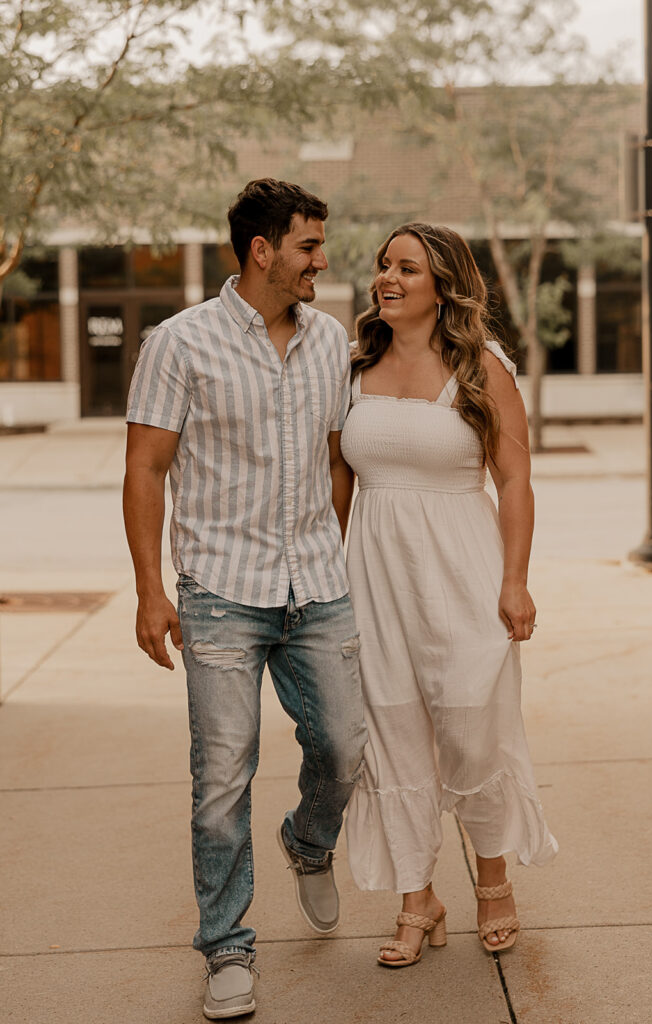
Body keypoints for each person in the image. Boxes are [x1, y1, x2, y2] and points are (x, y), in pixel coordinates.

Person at [123, 178, 367, 1018]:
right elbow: (146, 469)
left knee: (345, 746)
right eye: (308, 247)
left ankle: (308, 841)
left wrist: (328, 546)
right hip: (221, 589)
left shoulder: (330, 338)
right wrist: (152, 591)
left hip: (316, 586)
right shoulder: (179, 344)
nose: (321, 262)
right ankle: (226, 946)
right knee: (223, 776)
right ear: (263, 250)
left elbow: (339, 457)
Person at [341, 222, 558, 968]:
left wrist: (515, 579)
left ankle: (493, 883)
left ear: (443, 285)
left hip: (463, 572)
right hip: (374, 579)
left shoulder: (481, 366)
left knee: (471, 728)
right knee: (392, 737)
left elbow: (516, 479)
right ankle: (416, 897)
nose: (388, 278)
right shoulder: (353, 365)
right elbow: (337, 492)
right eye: (383, 266)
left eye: (407, 267)